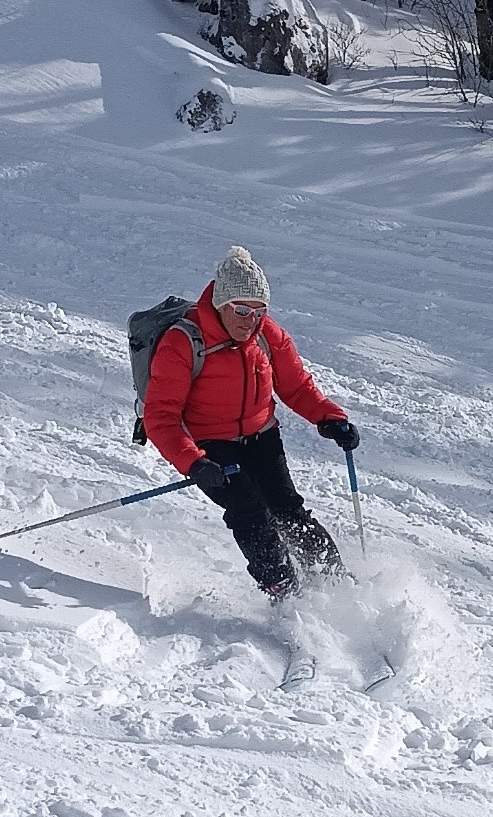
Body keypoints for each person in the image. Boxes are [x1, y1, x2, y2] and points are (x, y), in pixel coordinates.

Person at [142, 246, 361, 602]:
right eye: (241, 310)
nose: (250, 320)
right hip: (210, 446)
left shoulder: (265, 335)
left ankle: (336, 581)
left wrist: (330, 418)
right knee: (248, 510)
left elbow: (296, 386)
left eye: (259, 311)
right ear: (220, 304)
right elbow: (160, 417)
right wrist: (193, 461)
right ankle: (284, 591)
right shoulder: (183, 342)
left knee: (286, 506)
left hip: (261, 436)